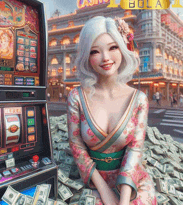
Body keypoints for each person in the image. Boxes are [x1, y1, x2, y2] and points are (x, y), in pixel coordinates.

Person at [67, 16, 157, 205]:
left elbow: (135, 149)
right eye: (95, 51)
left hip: (131, 182)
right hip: (92, 180)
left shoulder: (139, 99)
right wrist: (104, 191)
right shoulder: (77, 97)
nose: (106, 58)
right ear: (87, 56)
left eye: (113, 47)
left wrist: (123, 200)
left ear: (123, 48)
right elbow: (76, 145)